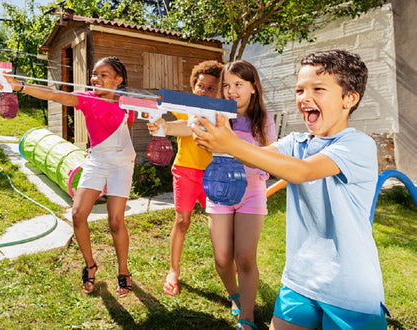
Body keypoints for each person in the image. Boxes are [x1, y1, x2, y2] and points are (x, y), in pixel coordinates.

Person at [193, 49, 389, 329]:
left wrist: (230, 144)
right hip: (300, 281)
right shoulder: (296, 142)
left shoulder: (357, 145)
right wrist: (216, 133)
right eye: (299, 90)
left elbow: (302, 172)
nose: (304, 97)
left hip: (350, 290)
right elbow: (258, 155)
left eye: (317, 89)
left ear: (350, 98)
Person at [0, 56, 136, 298]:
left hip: (122, 165)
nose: (95, 79)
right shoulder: (87, 99)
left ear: (118, 80)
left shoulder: (128, 103)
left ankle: (124, 270)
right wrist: (19, 86)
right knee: (78, 215)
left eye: (103, 75)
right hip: (96, 162)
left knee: (115, 222)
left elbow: (125, 128)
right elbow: (54, 95)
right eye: (94, 74)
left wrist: (113, 147)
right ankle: (90, 265)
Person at [207, 60, 276, 329]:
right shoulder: (217, 117)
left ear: (253, 88)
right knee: (223, 258)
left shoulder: (264, 120)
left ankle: (247, 317)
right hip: (220, 190)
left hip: (251, 193)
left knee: (245, 256)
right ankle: (235, 295)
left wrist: (240, 150)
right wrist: (163, 127)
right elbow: (190, 129)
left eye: (238, 85)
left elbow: (272, 157)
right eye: (226, 85)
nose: (231, 91)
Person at [148, 60, 223, 296]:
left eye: (211, 88)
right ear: (193, 86)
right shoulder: (187, 107)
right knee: (182, 221)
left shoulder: (221, 112)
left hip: (214, 172)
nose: (205, 91)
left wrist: (169, 127)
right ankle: (173, 270)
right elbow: (177, 121)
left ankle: (230, 270)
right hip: (186, 170)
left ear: (219, 91)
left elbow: (196, 127)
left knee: (220, 226)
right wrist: (159, 124)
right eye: (201, 86)